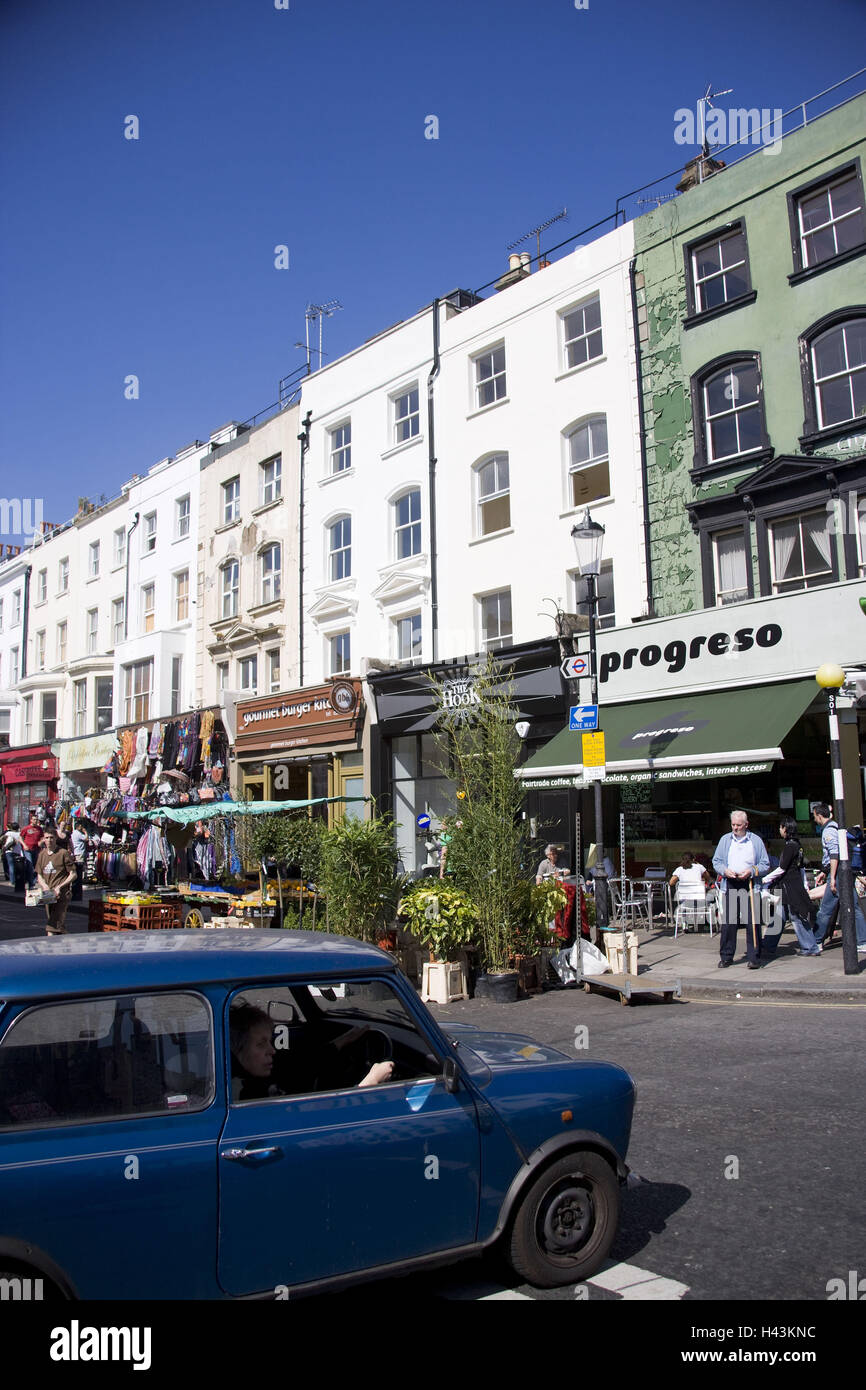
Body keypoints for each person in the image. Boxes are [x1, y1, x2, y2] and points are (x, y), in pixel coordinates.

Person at [229, 1004, 394, 1102]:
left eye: (270, 1041)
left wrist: (343, 1041)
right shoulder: (244, 1094)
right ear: (236, 1050)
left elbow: (305, 1062)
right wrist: (370, 1083)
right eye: (260, 1044)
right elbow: (321, 1123)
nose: (272, 1050)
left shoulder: (258, 1075)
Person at [712, 810, 769, 968]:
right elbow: (716, 861)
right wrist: (725, 870)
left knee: (752, 922)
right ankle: (726, 956)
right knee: (729, 923)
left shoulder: (755, 841)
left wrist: (751, 871)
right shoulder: (725, 839)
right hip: (730, 882)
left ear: (746, 825)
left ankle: (754, 958)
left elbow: (765, 863)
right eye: (733, 825)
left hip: (750, 883)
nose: (735, 828)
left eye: (738, 825)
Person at [812, 802, 866, 955]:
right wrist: (824, 871)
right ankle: (862, 941)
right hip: (846, 872)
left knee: (825, 910)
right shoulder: (837, 827)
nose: (815, 819)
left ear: (820, 816)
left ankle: (816, 941)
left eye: (815, 816)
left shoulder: (828, 831)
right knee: (855, 907)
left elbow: (834, 855)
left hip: (838, 875)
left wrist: (833, 877)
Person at [762, 819, 821, 956]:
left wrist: (766, 879)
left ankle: (810, 947)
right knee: (781, 915)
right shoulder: (798, 845)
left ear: (786, 829)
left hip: (789, 886)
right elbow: (801, 868)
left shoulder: (790, 847)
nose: (779, 830)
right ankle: (768, 944)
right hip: (793, 885)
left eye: (781, 827)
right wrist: (805, 884)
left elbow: (782, 868)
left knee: (796, 916)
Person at [34, 828, 77, 936]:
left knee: (52, 926)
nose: (49, 840)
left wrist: (60, 886)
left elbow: (73, 874)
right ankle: (70, 941)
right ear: (43, 839)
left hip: (62, 894)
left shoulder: (63, 853)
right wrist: (44, 886)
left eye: (52, 837)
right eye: (47, 838)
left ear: (56, 838)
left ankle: (50, 949)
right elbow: (39, 875)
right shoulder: (42, 854)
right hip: (48, 895)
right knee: (57, 925)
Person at [669, 852, 711, 931]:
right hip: (700, 901)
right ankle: (706, 923)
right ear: (694, 859)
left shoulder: (679, 869)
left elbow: (671, 882)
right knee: (709, 899)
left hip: (685, 902)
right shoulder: (699, 867)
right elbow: (708, 877)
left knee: (683, 899)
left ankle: (685, 923)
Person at [2, 822, 32, 890]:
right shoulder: (19, 834)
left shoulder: (8, 833)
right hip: (17, 851)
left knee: (11, 866)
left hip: (9, 851)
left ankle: (12, 881)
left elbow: (5, 841)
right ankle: (18, 880)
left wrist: (4, 847)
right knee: (17, 867)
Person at [20, 812, 44, 880]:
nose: (35, 821)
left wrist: (41, 842)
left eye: (36, 819)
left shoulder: (39, 829)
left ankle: (34, 879)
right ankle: (31, 881)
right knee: (29, 864)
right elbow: (20, 838)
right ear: (31, 820)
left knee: (36, 865)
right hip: (28, 849)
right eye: (34, 819)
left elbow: (42, 837)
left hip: (36, 849)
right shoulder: (26, 828)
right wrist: (24, 845)